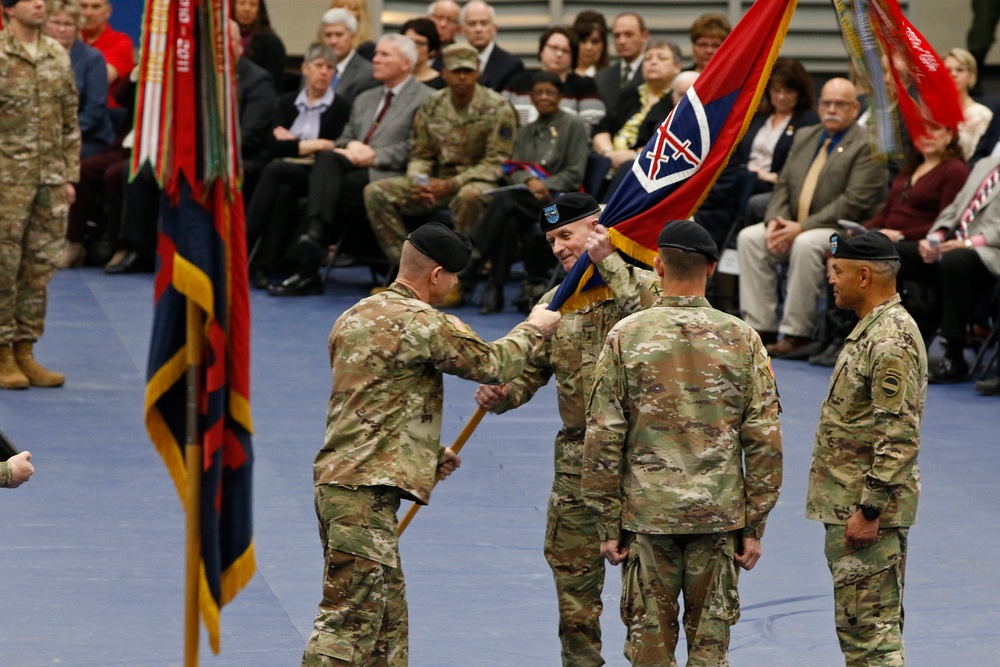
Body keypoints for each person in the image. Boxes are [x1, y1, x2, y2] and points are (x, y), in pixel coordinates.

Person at [300, 222, 562, 667]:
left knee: (386, 622)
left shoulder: (356, 314)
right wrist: (535, 327)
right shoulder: (421, 322)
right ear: (437, 274)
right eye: (455, 276)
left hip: (345, 484)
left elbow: (372, 399)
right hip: (362, 493)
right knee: (348, 624)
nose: (456, 285)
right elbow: (494, 364)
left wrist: (422, 456)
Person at [582, 220, 782, 667]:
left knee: (649, 649)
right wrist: (755, 525)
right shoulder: (743, 338)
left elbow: (603, 435)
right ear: (712, 269)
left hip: (647, 516)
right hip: (719, 517)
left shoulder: (625, 336)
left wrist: (606, 523)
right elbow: (765, 439)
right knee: (711, 652)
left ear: (657, 265)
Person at [474, 193, 662, 667]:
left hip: (642, 463)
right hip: (578, 462)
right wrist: (502, 395)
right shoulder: (555, 303)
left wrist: (612, 263)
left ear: (597, 230)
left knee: (650, 587)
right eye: (550, 240)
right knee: (572, 579)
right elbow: (530, 373)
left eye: (565, 235)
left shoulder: (646, 286)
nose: (557, 248)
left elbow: (660, 322)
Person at [807, 231, 925, 667]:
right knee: (869, 630)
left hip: (866, 510)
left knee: (870, 637)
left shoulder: (889, 340)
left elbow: (898, 435)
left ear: (863, 274)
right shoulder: (875, 329)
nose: (832, 281)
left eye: (836, 272)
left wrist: (870, 509)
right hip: (852, 503)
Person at [737, 78, 887, 357]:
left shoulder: (868, 144)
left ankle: (797, 334)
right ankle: (760, 329)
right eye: (826, 103)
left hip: (844, 231)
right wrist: (775, 223)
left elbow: (855, 202)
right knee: (751, 238)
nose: (832, 109)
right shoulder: (806, 135)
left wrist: (801, 227)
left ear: (855, 108)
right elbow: (782, 185)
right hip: (793, 223)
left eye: (840, 104)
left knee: (806, 243)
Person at [273, 34, 433, 296]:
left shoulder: (426, 98)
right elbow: (345, 137)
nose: (375, 59)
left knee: (324, 185)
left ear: (405, 63)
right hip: (351, 168)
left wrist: (374, 155)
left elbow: (418, 147)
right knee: (326, 160)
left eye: (384, 55)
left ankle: (308, 260)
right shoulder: (365, 98)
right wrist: (350, 147)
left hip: (389, 173)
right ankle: (313, 239)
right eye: (377, 53)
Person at [363, 43, 518, 281]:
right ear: (444, 72)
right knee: (376, 192)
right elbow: (421, 154)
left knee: (469, 196)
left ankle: (459, 277)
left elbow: (496, 163)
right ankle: (406, 271)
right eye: (456, 71)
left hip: (477, 183)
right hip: (437, 182)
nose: (462, 77)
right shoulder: (432, 105)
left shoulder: (497, 107)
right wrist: (419, 181)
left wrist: (449, 185)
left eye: (468, 71)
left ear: (478, 71)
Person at [0, 0, 80, 391]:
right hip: (6, 181)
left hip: (50, 181)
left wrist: (70, 175)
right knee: (3, 266)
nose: (40, 4)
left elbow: (69, 119)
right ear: (8, 8)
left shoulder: (55, 54)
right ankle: (2, 354)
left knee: (39, 267)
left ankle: (25, 350)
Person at [461, 73, 590, 313]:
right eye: (538, 92)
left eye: (549, 92)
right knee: (508, 218)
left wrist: (546, 185)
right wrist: (529, 181)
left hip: (560, 206)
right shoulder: (526, 131)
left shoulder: (574, 126)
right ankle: (495, 290)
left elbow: (575, 173)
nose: (543, 97)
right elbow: (513, 168)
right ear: (530, 97)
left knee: (505, 202)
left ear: (560, 97)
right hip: (527, 202)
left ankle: (472, 263)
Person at [246, 42, 351, 287]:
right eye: (318, 66)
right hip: (286, 172)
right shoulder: (287, 102)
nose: (324, 72)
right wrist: (316, 143)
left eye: (330, 68)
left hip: (317, 176)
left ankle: (246, 238)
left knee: (275, 170)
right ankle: (264, 265)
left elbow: (334, 147)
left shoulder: (341, 107)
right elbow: (271, 145)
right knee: (282, 190)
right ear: (305, 68)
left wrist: (296, 142)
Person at [904, 154, 1000, 383]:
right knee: (895, 254)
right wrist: (936, 236)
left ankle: (954, 355)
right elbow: (956, 207)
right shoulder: (985, 164)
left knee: (955, 261)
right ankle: (894, 340)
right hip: (954, 245)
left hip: (991, 250)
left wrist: (967, 242)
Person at [737, 58, 819, 198]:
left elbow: (804, 164)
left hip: (775, 188)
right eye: (776, 90)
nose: (781, 97)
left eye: (788, 91)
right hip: (742, 182)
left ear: (800, 92)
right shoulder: (757, 115)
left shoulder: (809, 121)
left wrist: (773, 177)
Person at [43, 0, 114, 159]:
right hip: (41, 136)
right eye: (56, 22)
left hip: (87, 138)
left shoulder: (92, 59)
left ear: (77, 28)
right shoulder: (36, 55)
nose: (61, 29)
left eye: (68, 24)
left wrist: (59, 134)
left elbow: (94, 111)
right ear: (45, 24)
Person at [501, 26, 606, 133]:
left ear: (572, 58)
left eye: (565, 51)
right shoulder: (517, 83)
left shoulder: (585, 86)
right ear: (541, 51)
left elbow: (593, 125)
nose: (559, 54)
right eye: (554, 48)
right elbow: (501, 119)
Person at [317, 8, 378, 105]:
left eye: (339, 35)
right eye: (328, 35)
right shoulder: (313, 68)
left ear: (353, 37)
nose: (333, 41)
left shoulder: (367, 74)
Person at [78, 0, 132, 107]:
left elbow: (97, 81)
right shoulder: (64, 39)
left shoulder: (120, 41)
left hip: (106, 114)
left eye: (96, 7)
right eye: (83, 6)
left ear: (108, 11)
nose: (88, 13)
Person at [460, 0, 524, 92]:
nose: (478, 29)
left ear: (494, 28)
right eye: (472, 24)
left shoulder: (512, 66)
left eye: (484, 23)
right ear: (463, 30)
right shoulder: (451, 62)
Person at [944, 47, 993, 160]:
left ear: (971, 76)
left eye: (960, 70)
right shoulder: (932, 111)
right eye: (948, 70)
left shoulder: (983, 114)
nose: (954, 74)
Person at [594, 12, 648, 111]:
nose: (621, 41)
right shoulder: (602, 78)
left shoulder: (654, 74)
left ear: (644, 36)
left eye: (629, 34)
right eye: (617, 36)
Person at [233, 0, 287, 87]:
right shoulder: (223, 38)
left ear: (259, 9)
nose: (247, 9)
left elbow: (272, 82)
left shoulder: (272, 43)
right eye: (242, 3)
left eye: (253, 4)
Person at [401, 17, 445, 89]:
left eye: (419, 43)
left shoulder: (441, 84)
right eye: (408, 42)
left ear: (431, 49)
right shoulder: (392, 80)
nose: (412, 47)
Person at [572, 10, 608, 78]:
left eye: (595, 42)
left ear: (603, 45)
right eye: (583, 41)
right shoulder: (563, 76)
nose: (588, 47)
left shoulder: (612, 77)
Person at [427, 0, 461, 70]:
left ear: (458, 28)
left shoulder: (458, 56)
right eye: (439, 17)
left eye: (450, 20)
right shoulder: (415, 47)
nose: (443, 24)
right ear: (428, 19)